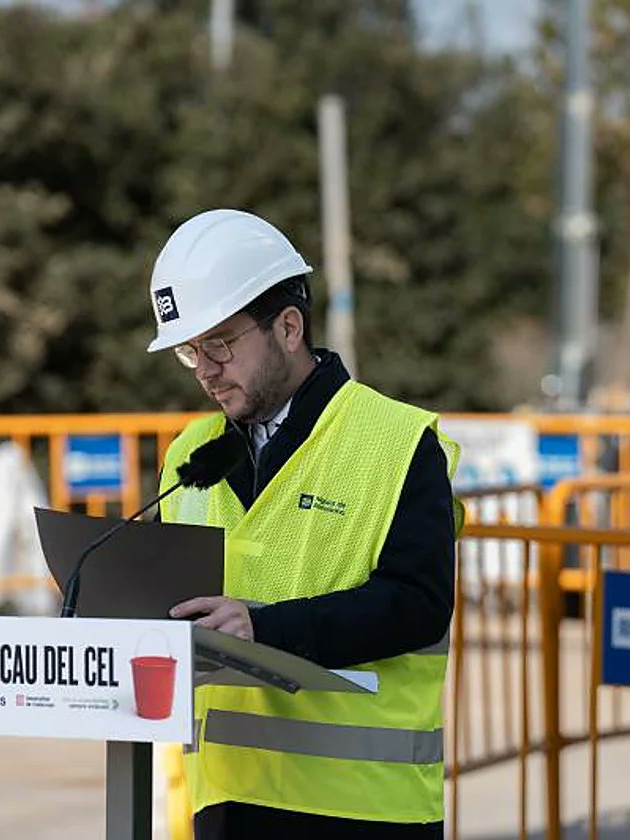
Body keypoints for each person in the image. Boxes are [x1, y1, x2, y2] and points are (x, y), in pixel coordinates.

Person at [149, 208, 462, 840]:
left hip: (366, 810)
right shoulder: (188, 454)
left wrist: (262, 627)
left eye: (220, 345)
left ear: (288, 327)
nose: (205, 369)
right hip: (225, 802)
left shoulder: (397, 440)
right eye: (190, 351)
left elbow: (418, 605)